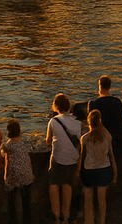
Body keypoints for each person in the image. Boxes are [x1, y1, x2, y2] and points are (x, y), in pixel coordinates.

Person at [45, 94, 80, 224]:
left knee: (53, 183)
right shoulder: (77, 123)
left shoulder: (53, 121)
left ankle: (56, 215)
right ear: (68, 106)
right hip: (72, 158)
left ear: (56, 107)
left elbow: (48, 141)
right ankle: (66, 216)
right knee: (67, 184)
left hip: (58, 158)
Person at [78, 110, 115, 224]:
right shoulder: (107, 136)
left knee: (88, 200)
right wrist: (115, 172)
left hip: (89, 170)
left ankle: (89, 221)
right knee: (102, 200)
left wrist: (78, 171)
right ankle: (102, 220)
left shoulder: (85, 138)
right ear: (100, 121)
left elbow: (82, 157)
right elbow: (111, 156)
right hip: (104, 169)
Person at [87, 76, 122, 166]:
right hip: (116, 136)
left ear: (100, 86)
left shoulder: (95, 104)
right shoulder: (117, 102)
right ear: (109, 87)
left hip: (101, 137)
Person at [0, 120, 33, 224]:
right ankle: (27, 220)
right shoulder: (25, 145)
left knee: (12, 200)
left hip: (13, 175)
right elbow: (28, 160)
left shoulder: (7, 146)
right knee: (26, 200)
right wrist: (31, 173)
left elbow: (7, 163)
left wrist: (6, 177)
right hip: (26, 175)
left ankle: (12, 219)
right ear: (20, 132)